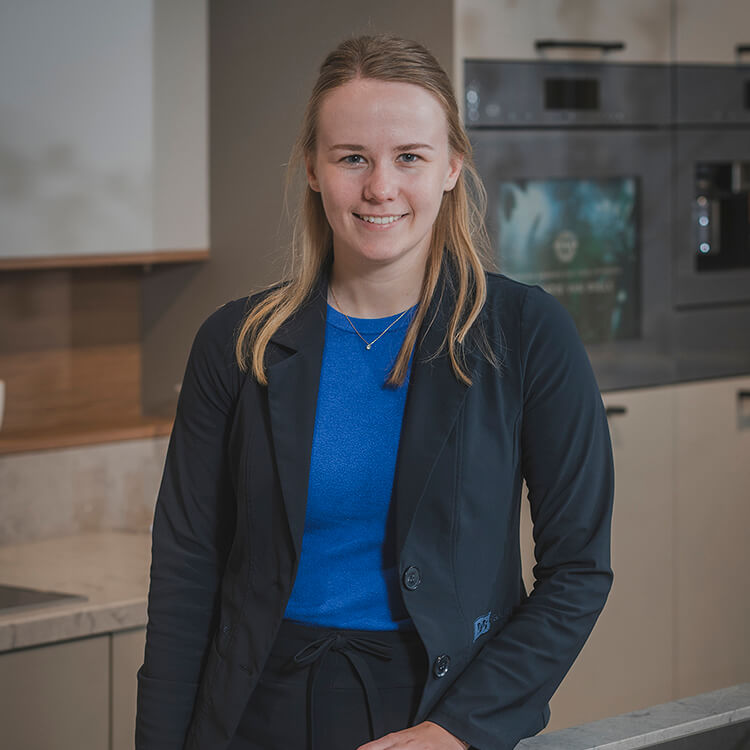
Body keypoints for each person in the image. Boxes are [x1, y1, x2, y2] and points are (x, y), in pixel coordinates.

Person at [135, 34, 614, 750]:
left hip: (435, 708)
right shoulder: (237, 342)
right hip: (249, 711)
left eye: (409, 157)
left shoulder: (525, 333)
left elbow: (577, 570)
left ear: (452, 166)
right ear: (313, 168)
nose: (380, 188)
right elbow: (185, 572)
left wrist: (456, 730)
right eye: (352, 157)